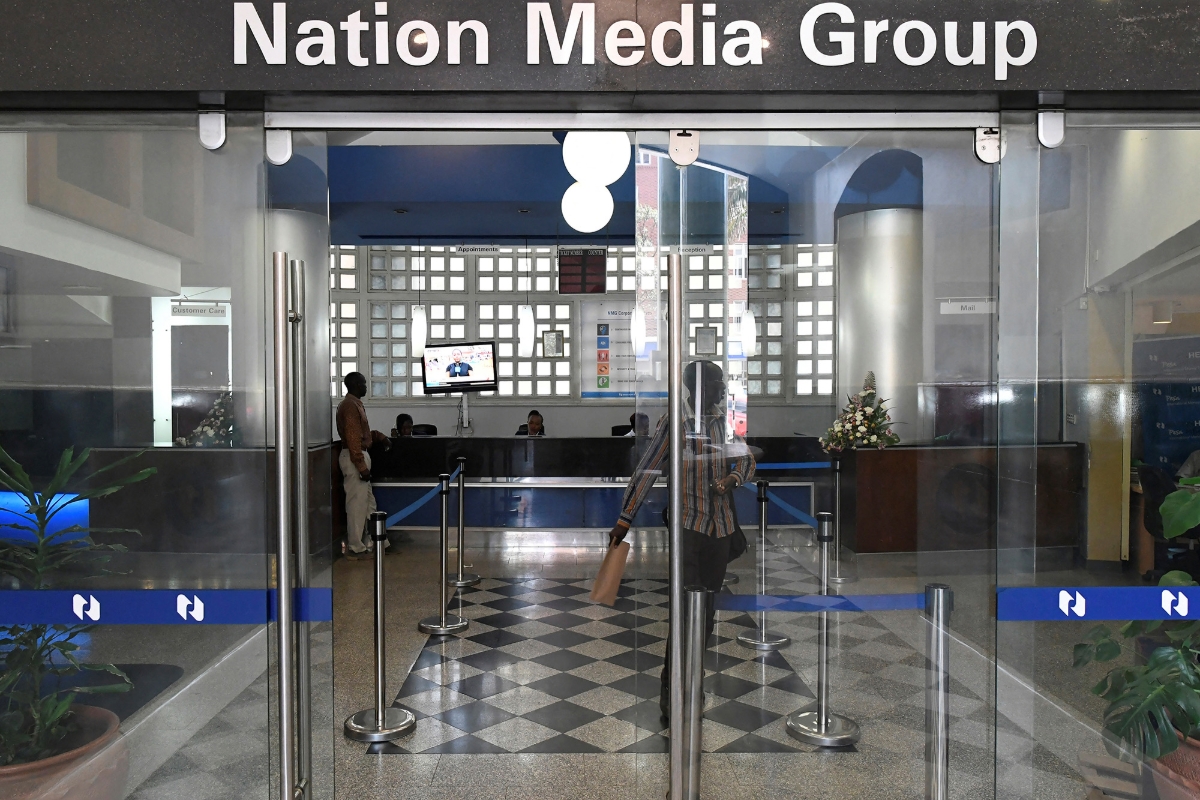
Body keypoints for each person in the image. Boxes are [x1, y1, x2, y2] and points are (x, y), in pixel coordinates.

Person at [608, 360, 754, 718]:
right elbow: (646, 471)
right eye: (718, 383)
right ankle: (672, 690)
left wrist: (731, 480)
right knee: (684, 614)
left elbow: (747, 461)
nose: (723, 389)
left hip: (719, 530)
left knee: (705, 614)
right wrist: (624, 520)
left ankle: (693, 681)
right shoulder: (675, 423)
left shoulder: (724, 421)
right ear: (700, 388)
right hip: (688, 529)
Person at [336, 372, 391, 559]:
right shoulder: (350, 407)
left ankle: (374, 540)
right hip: (355, 458)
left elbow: (362, 434)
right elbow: (353, 439)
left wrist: (379, 437)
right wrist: (361, 466)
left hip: (357, 456)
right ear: (356, 385)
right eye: (364, 384)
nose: (366, 387)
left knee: (368, 504)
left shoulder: (354, 404)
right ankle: (355, 546)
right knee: (357, 505)